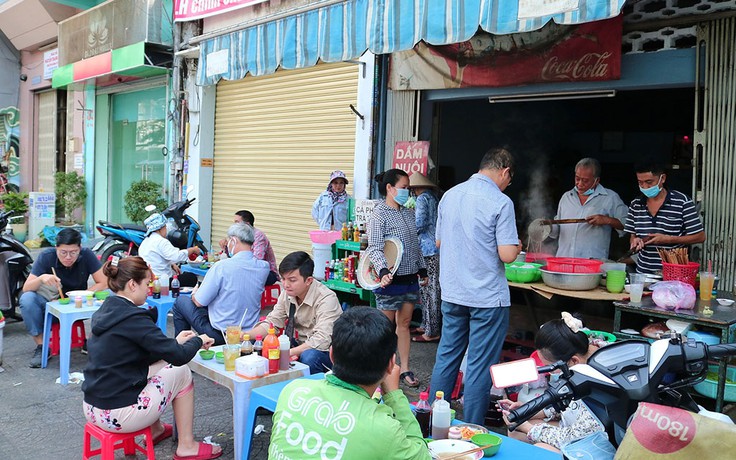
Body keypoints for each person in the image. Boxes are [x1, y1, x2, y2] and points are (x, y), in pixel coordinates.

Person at [82, 257, 221, 460]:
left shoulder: (106, 310)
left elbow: (150, 351)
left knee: (159, 364)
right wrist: (198, 340)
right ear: (132, 284)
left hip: (93, 407)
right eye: (147, 283)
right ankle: (187, 446)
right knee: (181, 372)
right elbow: (180, 357)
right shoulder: (134, 318)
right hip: (119, 414)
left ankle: (155, 429)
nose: (149, 289)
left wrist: (176, 342)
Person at [429, 147, 521, 425]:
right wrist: (517, 246)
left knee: (447, 356)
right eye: (509, 179)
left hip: (454, 292)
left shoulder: (450, 195)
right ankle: (470, 430)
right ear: (504, 171)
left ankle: (435, 421)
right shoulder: (501, 202)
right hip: (487, 298)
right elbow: (507, 254)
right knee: (479, 366)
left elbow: (439, 243)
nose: (507, 184)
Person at [268, 306, 431, 460]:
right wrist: (394, 395)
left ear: (331, 355)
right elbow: (422, 455)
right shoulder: (383, 429)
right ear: (391, 364)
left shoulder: (293, 390)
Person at [500, 313, 604, 453]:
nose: (553, 375)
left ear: (573, 361)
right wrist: (528, 410)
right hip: (570, 429)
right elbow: (565, 403)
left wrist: (528, 428)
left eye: (554, 370)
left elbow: (573, 437)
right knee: (516, 432)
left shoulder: (597, 383)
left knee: (541, 450)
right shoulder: (579, 367)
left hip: (589, 445)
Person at [365, 169, 427, 388]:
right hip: (389, 280)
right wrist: (383, 271)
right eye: (403, 188)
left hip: (409, 279)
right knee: (385, 327)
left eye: (408, 188)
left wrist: (422, 270)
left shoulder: (408, 213)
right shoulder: (379, 213)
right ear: (390, 188)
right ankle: (381, 369)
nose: (407, 192)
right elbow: (374, 247)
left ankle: (405, 369)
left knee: (405, 324)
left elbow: (415, 245)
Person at [20, 228, 107, 368]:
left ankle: (91, 340)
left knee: (110, 300)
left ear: (80, 248)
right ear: (56, 249)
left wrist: (84, 293)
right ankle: (42, 347)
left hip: (78, 304)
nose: (68, 257)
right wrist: (42, 278)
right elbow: (26, 288)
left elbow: (104, 282)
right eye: (63, 252)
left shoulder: (87, 255)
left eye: (73, 253)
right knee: (27, 299)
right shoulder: (46, 256)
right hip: (51, 305)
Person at [246, 251, 342, 375]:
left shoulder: (327, 298)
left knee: (310, 357)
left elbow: (321, 340)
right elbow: (273, 323)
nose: (285, 285)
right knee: (258, 343)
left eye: (292, 280)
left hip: (326, 351)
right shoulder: (288, 293)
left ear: (308, 280)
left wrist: (287, 352)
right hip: (299, 344)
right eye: (283, 279)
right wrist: (245, 335)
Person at [173, 223, 269, 343]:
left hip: (221, 335)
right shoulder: (263, 267)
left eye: (228, 241)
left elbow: (198, 302)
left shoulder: (222, 266)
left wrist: (194, 293)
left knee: (180, 301)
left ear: (233, 241)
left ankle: (180, 349)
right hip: (249, 335)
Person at [624, 161, 705, 274]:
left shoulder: (682, 202)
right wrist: (635, 241)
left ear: (662, 179)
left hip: (674, 273)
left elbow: (700, 237)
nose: (644, 187)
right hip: (643, 274)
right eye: (640, 182)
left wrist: (669, 239)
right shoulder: (635, 205)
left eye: (649, 182)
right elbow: (633, 236)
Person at [548, 158, 628, 259]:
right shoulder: (567, 197)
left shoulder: (610, 198)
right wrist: (549, 226)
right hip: (564, 262)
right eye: (577, 178)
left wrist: (607, 220)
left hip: (591, 265)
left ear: (597, 180)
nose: (580, 184)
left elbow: (628, 225)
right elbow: (559, 227)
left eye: (585, 180)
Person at [408, 172, 441, 343]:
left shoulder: (421, 199)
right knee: (432, 289)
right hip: (435, 248)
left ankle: (431, 331)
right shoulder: (433, 198)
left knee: (429, 290)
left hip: (427, 250)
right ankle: (425, 325)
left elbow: (419, 224)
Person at [138, 212, 200, 287]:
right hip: (161, 282)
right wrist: (192, 250)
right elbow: (176, 256)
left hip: (149, 281)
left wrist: (172, 264)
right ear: (160, 228)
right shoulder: (161, 241)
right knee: (191, 277)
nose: (166, 229)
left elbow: (158, 258)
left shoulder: (145, 242)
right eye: (165, 227)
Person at [218, 210, 279, 285]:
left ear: (247, 224)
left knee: (236, 278)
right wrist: (226, 247)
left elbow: (257, 260)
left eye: (237, 222)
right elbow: (233, 256)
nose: (234, 225)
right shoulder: (237, 236)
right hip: (246, 268)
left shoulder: (258, 236)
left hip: (266, 272)